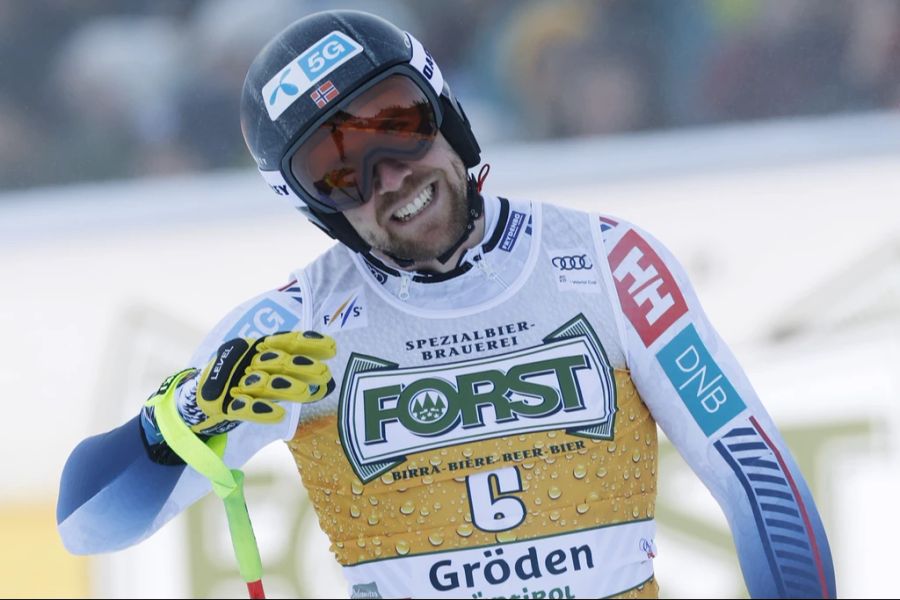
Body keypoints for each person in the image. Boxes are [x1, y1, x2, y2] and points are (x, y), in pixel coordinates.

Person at [57, 10, 836, 600]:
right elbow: (88, 524)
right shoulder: (294, 330)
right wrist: (186, 415)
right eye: (337, 170)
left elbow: (758, 475)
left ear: (447, 113)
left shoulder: (609, 263)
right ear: (318, 210)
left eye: (398, 123)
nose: (388, 175)